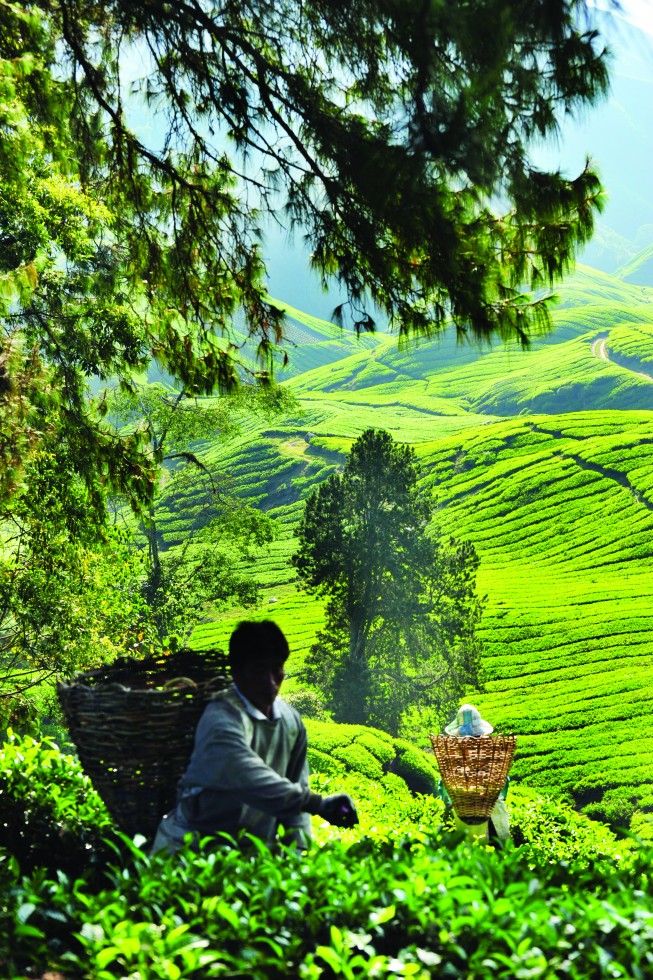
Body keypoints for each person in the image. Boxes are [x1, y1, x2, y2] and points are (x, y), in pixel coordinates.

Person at [152, 620, 358, 854]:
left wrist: (298, 852)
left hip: (251, 854)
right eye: (260, 670)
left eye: (277, 669)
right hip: (191, 849)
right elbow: (249, 777)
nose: (271, 682)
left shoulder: (291, 721)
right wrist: (318, 804)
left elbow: (297, 790)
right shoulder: (220, 719)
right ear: (237, 672)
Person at [441, 703, 511, 844]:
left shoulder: (454, 757)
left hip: (466, 817)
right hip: (494, 814)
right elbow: (504, 782)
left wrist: (449, 802)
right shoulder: (491, 753)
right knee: (499, 858)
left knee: (474, 857)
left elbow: (444, 786)